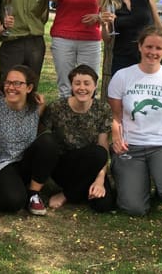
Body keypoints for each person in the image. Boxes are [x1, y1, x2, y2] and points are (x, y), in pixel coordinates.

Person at [107, 26, 162, 216]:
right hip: (131, 146)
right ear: (140, 47)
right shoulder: (122, 76)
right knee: (133, 208)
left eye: (158, 48)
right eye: (149, 47)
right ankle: (136, 183)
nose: (153, 52)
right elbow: (115, 116)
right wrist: (117, 139)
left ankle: (161, 183)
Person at [39, 64, 116, 213]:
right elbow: (42, 137)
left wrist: (100, 180)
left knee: (104, 205)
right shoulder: (57, 107)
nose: (82, 88)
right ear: (71, 86)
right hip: (64, 165)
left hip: (92, 165)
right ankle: (68, 193)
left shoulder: (102, 109)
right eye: (77, 83)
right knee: (97, 153)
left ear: (95, 86)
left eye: (87, 83)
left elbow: (103, 144)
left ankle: (71, 193)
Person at [0, 65, 53, 215]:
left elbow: (41, 113)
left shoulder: (36, 106)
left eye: (17, 83)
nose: (11, 87)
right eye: (8, 83)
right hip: (2, 164)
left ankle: (33, 194)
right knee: (12, 203)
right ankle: (11, 189)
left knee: (48, 142)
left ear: (29, 88)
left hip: (27, 161)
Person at [47, 0, 103, 97]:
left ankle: (87, 120)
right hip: (64, 38)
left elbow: (107, 10)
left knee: (90, 84)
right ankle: (65, 119)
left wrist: (98, 17)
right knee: (66, 85)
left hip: (90, 39)